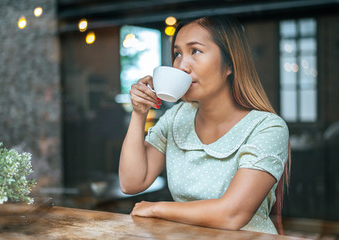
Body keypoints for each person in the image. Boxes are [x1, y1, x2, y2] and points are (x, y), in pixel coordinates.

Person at [119, 15, 290, 235]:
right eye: (177, 54)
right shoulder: (176, 118)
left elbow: (232, 214)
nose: (182, 66)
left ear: (230, 64)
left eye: (195, 51)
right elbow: (132, 183)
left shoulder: (267, 128)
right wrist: (139, 113)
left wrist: (155, 208)